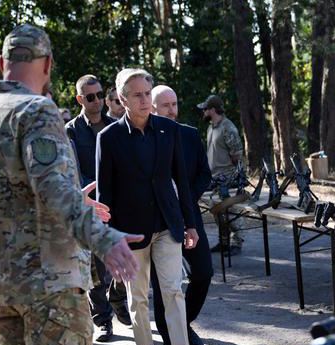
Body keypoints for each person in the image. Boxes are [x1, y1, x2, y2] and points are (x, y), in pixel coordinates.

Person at [0, 24, 143, 345]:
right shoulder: (36, 110)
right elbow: (51, 188)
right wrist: (104, 238)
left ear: (1, 61)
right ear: (47, 64)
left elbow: (5, 193)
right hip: (49, 283)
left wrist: (74, 197)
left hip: (1, 281)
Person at [96, 68, 198, 345]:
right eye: (137, 95)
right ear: (122, 98)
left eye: (146, 93)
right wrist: (108, 240)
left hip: (168, 224)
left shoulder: (170, 130)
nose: (144, 100)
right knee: (138, 298)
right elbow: (105, 194)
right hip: (130, 232)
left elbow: (182, 182)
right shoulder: (108, 138)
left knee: (173, 291)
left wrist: (190, 223)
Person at [65, 74, 129, 342]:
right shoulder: (70, 131)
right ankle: (103, 321)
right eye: (90, 97)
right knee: (95, 268)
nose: (97, 101)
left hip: (116, 204)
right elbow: (72, 171)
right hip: (88, 206)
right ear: (80, 99)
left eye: (100, 95)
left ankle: (117, 296)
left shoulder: (115, 126)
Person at [151, 85, 213, 345]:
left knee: (203, 273)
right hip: (155, 220)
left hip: (189, 217)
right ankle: (171, 336)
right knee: (164, 287)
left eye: (174, 104)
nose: (172, 110)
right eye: (165, 105)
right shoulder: (144, 138)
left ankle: (182, 323)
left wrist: (186, 200)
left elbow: (204, 174)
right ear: (152, 108)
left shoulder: (189, 135)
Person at [197, 94, 245, 256]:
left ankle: (237, 242)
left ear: (212, 109)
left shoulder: (228, 127)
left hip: (228, 177)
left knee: (231, 212)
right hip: (214, 177)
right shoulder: (211, 127)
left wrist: (231, 175)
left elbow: (237, 154)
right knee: (217, 211)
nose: (203, 111)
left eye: (205, 108)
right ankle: (223, 242)